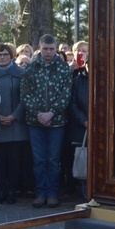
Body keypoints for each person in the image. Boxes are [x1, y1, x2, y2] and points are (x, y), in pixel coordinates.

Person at [20, 34, 72, 209]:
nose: (48, 52)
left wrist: (51, 113)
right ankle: (40, 193)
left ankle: (52, 193)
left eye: (51, 49)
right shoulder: (30, 69)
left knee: (53, 159)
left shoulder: (64, 69)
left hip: (56, 122)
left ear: (55, 48)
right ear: (39, 48)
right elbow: (25, 95)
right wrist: (40, 114)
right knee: (39, 159)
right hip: (35, 122)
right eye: (45, 49)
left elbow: (66, 94)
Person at [0, 43, 27, 205]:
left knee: (14, 161)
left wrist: (14, 115)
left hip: (15, 124)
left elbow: (25, 97)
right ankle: (0, 189)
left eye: (5, 55)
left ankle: (12, 191)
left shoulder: (21, 73)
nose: (2, 57)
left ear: (11, 56)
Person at [68, 54, 89, 199]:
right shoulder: (77, 82)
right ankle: (83, 191)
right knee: (83, 159)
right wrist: (84, 120)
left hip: (101, 128)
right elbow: (72, 104)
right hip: (82, 128)